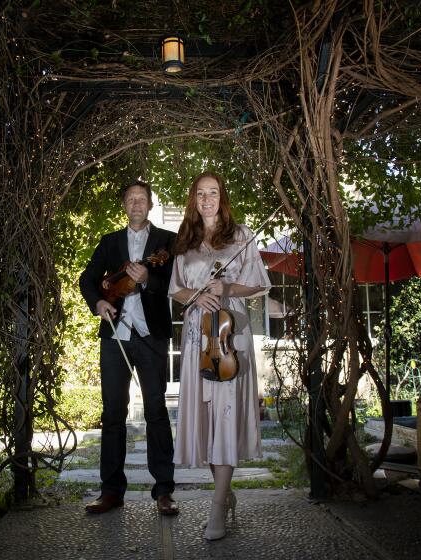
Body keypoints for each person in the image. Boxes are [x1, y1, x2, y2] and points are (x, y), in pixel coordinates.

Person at [168, 171, 270, 540]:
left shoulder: (240, 236)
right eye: (200, 193)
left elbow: (260, 282)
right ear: (193, 199)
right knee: (209, 420)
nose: (207, 199)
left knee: (225, 417)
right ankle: (226, 494)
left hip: (229, 336)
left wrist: (226, 285)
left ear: (221, 197)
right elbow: (176, 289)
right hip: (198, 339)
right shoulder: (186, 239)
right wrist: (195, 296)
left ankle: (217, 508)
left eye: (213, 192)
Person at [79, 180, 179, 516]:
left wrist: (149, 280)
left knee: (156, 411)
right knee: (112, 413)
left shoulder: (167, 241)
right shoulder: (109, 242)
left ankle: (164, 491)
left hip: (151, 335)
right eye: (131, 199)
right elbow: (87, 279)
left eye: (142, 199)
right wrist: (98, 304)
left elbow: (177, 284)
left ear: (150, 205)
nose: (136, 204)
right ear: (124, 205)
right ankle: (111, 491)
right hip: (116, 335)